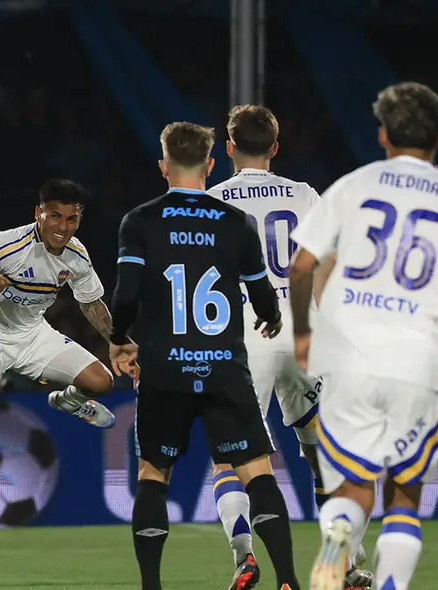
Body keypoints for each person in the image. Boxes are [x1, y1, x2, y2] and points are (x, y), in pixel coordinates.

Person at [287, 82, 438, 590]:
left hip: (349, 356)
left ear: (383, 135)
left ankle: (340, 532)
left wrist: (303, 335)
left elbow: (302, 267)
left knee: (353, 484)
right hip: (420, 360)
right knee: (404, 495)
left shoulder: (352, 186)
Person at [109, 121, 300, 590]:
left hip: (165, 366)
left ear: (163, 166)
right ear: (211, 164)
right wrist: (272, 317)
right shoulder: (235, 221)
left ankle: (151, 586)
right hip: (223, 366)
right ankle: (288, 581)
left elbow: (127, 294)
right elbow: (262, 296)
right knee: (256, 470)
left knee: (154, 473)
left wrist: (118, 338)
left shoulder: (141, 221)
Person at [207, 105, 372, 589]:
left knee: (230, 458)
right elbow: (323, 268)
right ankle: (349, 562)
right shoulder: (304, 195)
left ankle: (244, 557)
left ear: (229, 148)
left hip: (244, 338)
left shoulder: (212, 202)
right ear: (275, 148)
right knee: (324, 454)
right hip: (304, 333)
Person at [0, 178, 118, 525]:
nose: (62, 228)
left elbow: (90, 303)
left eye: (71, 219)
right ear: (38, 213)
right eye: (54, 217)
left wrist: (117, 341)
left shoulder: (76, 256)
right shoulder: (7, 246)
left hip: (34, 335)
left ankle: (69, 401)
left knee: (101, 382)